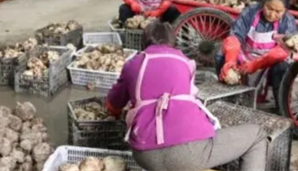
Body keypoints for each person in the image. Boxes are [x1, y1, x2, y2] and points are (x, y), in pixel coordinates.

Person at [106, 20, 268, 171]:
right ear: (173, 43)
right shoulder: (185, 62)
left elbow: (113, 104)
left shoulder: (133, 64)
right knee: (257, 136)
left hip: (145, 155)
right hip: (189, 153)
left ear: (144, 43)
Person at [216, 0, 297, 108]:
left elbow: (284, 50)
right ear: (264, 2)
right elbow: (234, 37)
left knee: (283, 68)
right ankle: (227, 98)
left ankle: (281, 106)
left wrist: (255, 65)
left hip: (269, 60)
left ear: (285, 11)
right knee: (220, 55)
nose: (272, 14)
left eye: (278, 12)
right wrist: (230, 61)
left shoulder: (288, 21)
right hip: (245, 54)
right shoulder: (251, 12)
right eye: (269, 8)